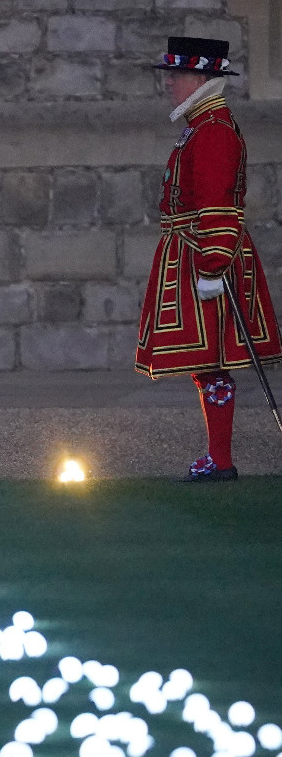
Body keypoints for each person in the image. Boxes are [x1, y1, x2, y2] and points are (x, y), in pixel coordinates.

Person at [135, 37, 282, 481]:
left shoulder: (213, 130)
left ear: (201, 79)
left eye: (176, 77)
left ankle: (220, 459)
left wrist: (214, 265)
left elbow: (217, 204)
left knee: (211, 360)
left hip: (204, 255)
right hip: (194, 251)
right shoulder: (201, 125)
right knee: (207, 363)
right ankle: (218, 457)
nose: (170, 85)